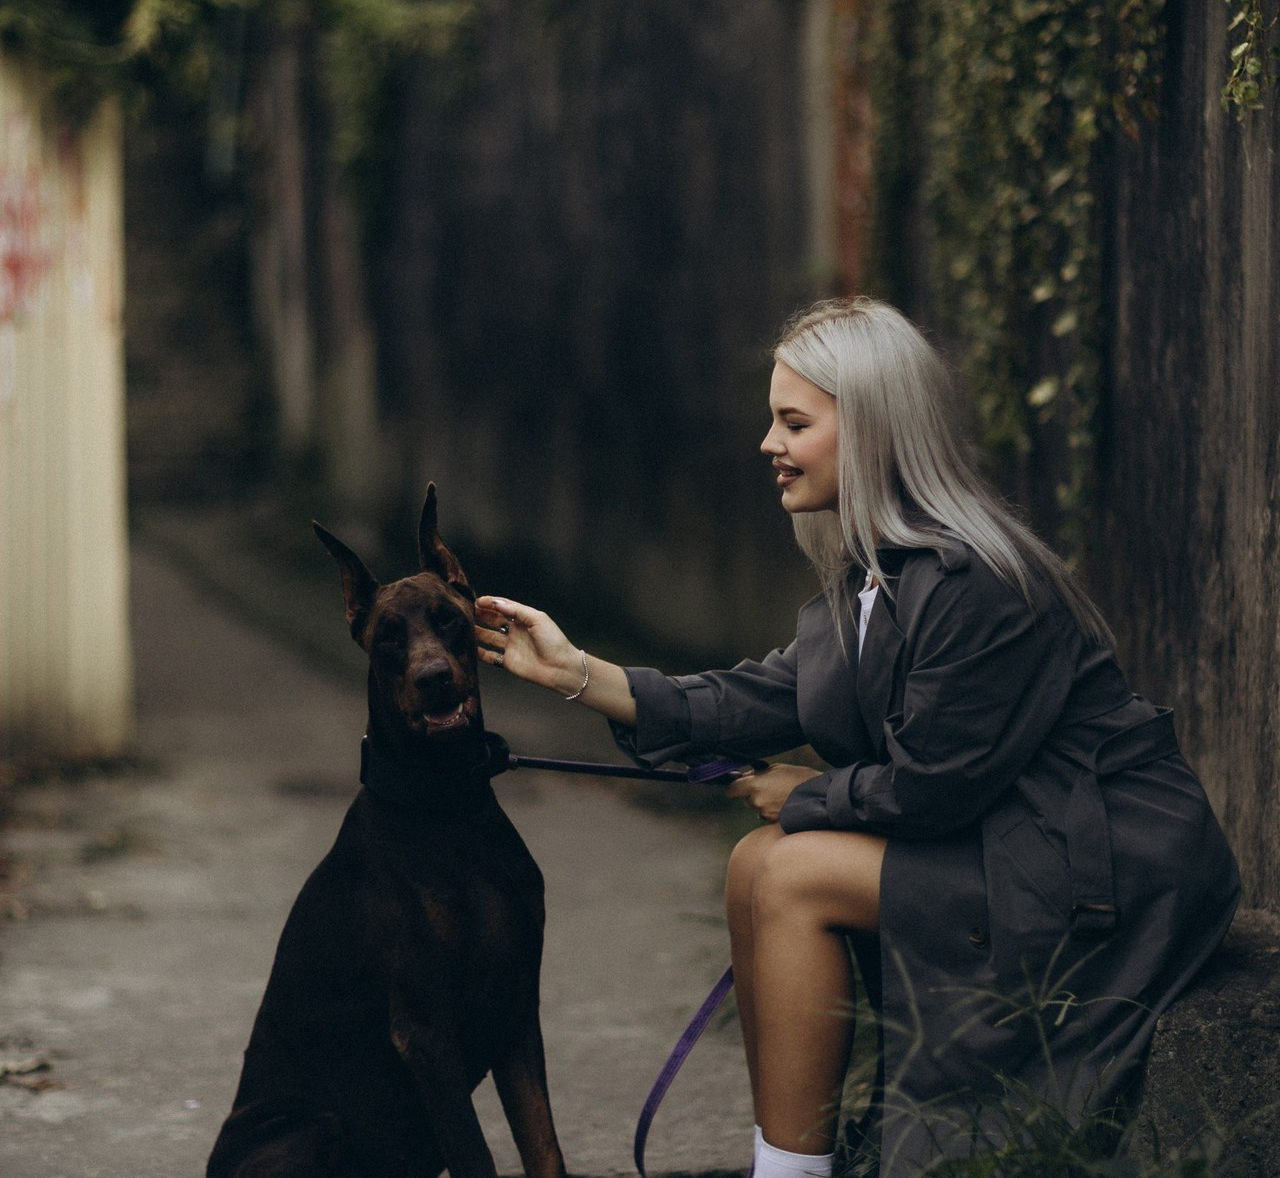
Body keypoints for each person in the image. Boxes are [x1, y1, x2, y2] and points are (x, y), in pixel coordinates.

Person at [474, 297, 1240, 1176]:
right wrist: (575, 672)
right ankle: (790, 1159)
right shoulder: (874, 580)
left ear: (873, 430)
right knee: (754, 864)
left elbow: (934, 787)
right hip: (1012, 836)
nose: (769, 443)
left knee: (792, 873)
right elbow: (753, 697)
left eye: (795, 423)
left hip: (1099, 862)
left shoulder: (978, 581)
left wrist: (806, 793)